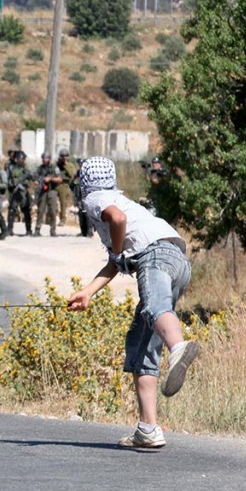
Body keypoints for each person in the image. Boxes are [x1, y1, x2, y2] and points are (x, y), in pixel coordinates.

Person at [66, 156, 200, 449]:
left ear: (84, 182)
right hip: (177, 258)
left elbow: (118, 221)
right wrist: (88, 292)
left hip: (154, 257)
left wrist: (116, 253)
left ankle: (178, 348)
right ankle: (148, 429)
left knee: (154, 309)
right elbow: (117, 259)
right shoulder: (119, 198)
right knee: (142, 345)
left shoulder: (94, 199)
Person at [6, 150, 34, 237]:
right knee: (11, 210)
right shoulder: (11, 168)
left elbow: (32, 178)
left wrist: (25, 182)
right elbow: (7, 179)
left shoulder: (26, 169)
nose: (20, 160)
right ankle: (9, 229)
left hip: (24, 191)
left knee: (26, 210)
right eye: (19, 158)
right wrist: (11, 184)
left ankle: (28, 230)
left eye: (22, 159)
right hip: (14, 191)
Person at [34, 152, 62, 237]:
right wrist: (38, 182)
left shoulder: (54, 168)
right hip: (42, 191)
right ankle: (37, 229)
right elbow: (34, 178)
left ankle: (53, 230)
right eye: (43, 158)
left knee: (52, 211)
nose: (44, 160)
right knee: (40, 211)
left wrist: (50, 179)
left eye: (46, 158)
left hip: (52, 191)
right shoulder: (39, 168)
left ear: (49, 159)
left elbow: (59, 179)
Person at [70, 158, 93, 237]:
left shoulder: (89, 173)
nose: (80, 165)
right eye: (79, 164)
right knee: (80, 213)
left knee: (87, 213)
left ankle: (90, 231)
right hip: (79, 195)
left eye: (82, 164)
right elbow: (72, 184)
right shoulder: (78, 173)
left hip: (87, 195)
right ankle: (83, 231)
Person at [56, 148, 75, 226]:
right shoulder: (56, 164)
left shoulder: (70, 165)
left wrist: (65, 165)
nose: (64, 158)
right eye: (63, 156)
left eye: (66, 156)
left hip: (64, 185)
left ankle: (62, 219)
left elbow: (72, 175)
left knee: (63, 204)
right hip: (55, 184)